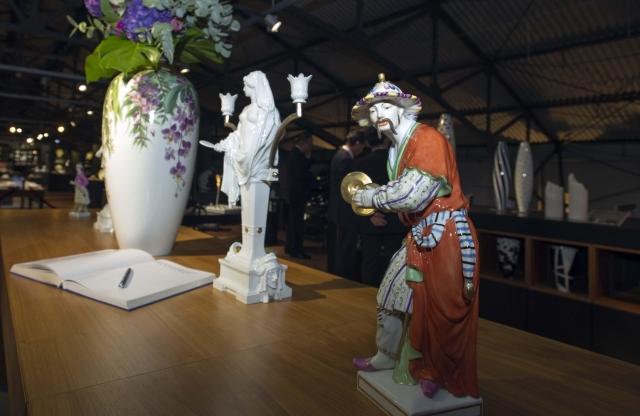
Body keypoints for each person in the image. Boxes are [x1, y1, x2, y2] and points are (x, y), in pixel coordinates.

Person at [350, 74, 479, 398]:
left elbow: (413, 194)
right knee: (391, 295)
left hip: (445, 235)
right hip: (420, 233)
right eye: (373, 109)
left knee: (440, 309)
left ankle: (436, 370)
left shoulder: (428, 139)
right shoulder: (397, 148)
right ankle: (387, 355)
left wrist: (370, 197)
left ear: (401, 108)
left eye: (385, 106)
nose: (378, 114)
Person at [213, 70, 280, 205]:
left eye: (245, 85)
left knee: (256, 206)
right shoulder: (246, 109)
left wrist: (251, 154)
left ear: (254, 86)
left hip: (257, 160)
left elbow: (269, 135)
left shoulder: (268, 111)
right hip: (245, 157)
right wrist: (225, 143)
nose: (243, 88)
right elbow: (239, 133)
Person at [353, 135, 406, 287]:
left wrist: (370, 215)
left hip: (370, 220)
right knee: (392, 261)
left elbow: (355, 195)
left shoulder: (360, 163)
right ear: (387, 140)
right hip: (395, 219)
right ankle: (388, 294)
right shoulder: (398, 163)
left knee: (370, 261)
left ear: (368, 142)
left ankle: (367, 293)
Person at [327, 129, 368, 279]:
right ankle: (342, 275)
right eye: (362, 146)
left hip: (337, 209)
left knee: (339, 245)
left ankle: (337, 271)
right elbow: (348, 188)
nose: (362, 150)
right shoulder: (345, 159)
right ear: (356, 143)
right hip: (343, 211)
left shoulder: (339, 155)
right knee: (345, 246)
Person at [280, 134, 313, 259]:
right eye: (309, 144)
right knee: (297, 224)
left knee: (292, 223)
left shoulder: (292, 154)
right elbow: (302, 175)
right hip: (298, 194)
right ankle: (296, 250)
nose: (310, 146)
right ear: (303, 143)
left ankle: (290, 247)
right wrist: (308, 160)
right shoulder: (298, 156)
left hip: (292, 194)